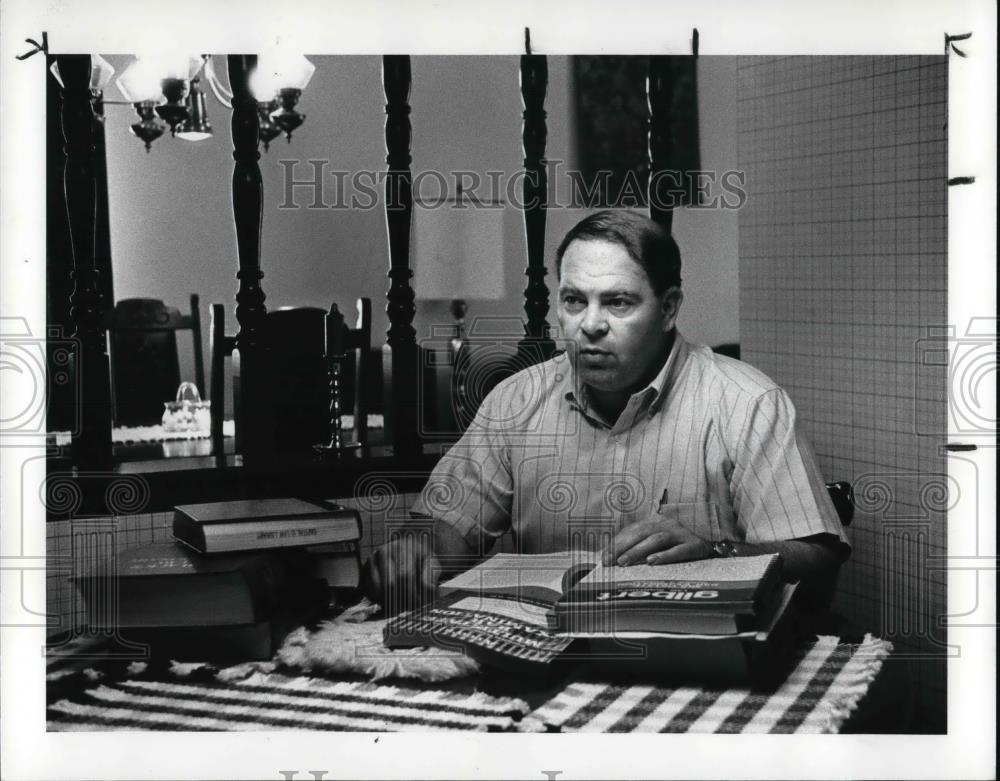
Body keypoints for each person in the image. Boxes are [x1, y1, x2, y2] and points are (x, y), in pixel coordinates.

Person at [364, 210, 849, 613]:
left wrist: (716, 553)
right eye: (575, 300)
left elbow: (816, 555)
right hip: (543, 654)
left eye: (617, 302)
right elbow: (445, 527)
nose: (590, 325)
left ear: (668, 308)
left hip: (690, 656)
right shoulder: (516, 401)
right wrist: (418, 547)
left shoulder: (748, 404)